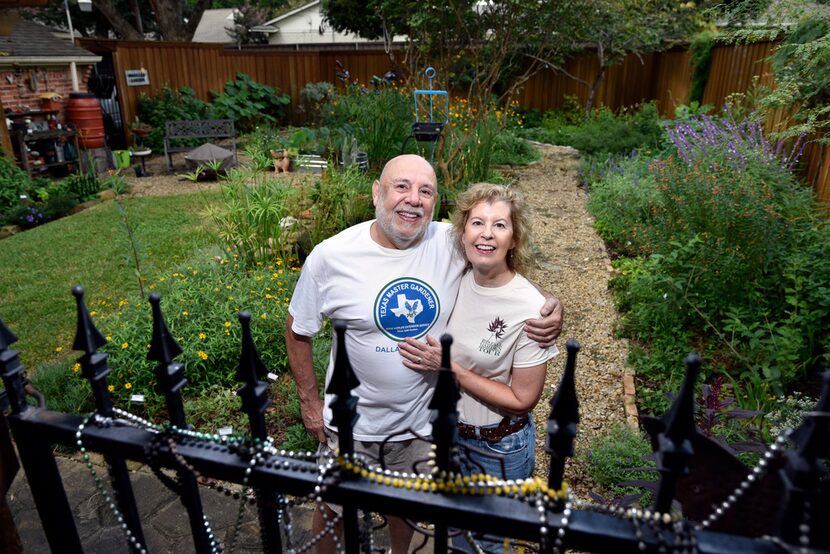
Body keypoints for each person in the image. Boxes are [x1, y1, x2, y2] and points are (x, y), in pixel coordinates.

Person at [285, 154, 563, 553]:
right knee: (333, 512)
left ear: (435, 203)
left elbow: (499, 264)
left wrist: (548, 305)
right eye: (402, 186)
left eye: (425, 191)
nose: (413, 199)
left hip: (419, 426)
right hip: (352, 425)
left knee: (406, 511)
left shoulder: (448, 241)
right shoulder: (332, 256)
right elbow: (298, 329)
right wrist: (310, 403)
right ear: (377, 193)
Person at [398, 183, 559, 481]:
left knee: (491, 528)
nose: (486, 233)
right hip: (447, 434)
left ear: (513, 239)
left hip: (499, 446)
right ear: (462, 234)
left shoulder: (532, 310)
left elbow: (523, 399)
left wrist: (448, 368)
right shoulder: (454, 276)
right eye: (477, 223)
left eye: (499, 225)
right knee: (455, 527)